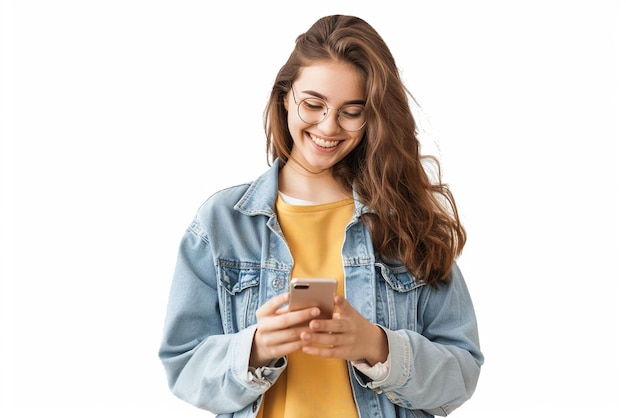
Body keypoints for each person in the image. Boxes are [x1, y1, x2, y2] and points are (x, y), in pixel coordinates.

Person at [159, 14, 483, 418]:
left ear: (373, 118)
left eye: (352, 111)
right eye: (313, 104)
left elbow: (462, 372)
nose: (328, 126)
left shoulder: (406, 221)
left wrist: (376, 346)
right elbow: (182, 365)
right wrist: (256, 347)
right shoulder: (221, 223)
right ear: (284, 96)